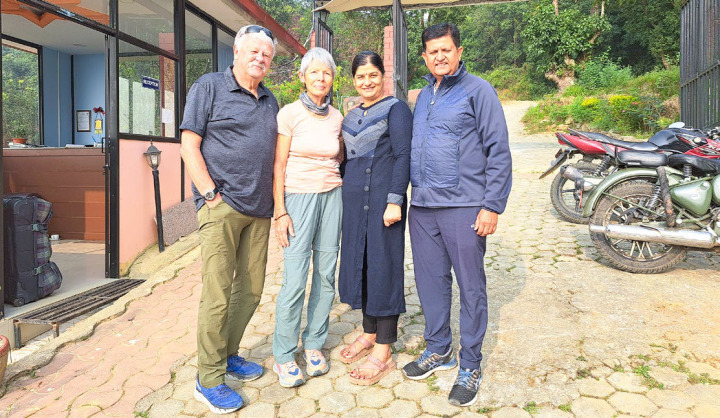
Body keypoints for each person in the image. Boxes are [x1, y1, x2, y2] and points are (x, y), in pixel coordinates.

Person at [401, 23, 512, 407]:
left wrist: (492, 204)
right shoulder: (424, 97)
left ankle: (470, 365)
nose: (440, 57)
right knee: (430, 282)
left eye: (446, 50)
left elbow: (498, 149)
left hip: (465, 205)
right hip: (424, 208)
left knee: (471, 287)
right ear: (425, 57)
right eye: (433, 52)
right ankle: (439, 349)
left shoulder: (478, 91)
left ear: (459, 51)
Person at [179, 24, 278, 414]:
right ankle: (208, 376)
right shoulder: (209, 87)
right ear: (236, 52)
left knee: (250, 291)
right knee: (218, 293)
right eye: (253, 51)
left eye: (266, 55)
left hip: (260, 210)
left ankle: (229, 352)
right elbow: (189, 144)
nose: (259, 58)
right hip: (221, 206)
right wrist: (209, 195)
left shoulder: (270, 99)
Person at [337, 51, 412, 385]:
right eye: (360, 76)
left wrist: (395, 200)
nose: (366, 82)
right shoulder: (351, 116)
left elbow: (402, 156)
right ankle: (368, 332)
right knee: (363, 266)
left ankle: (383, 349)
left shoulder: (396, 110)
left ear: (383, 76)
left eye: (372, 75)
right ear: (353, 80)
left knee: (384, 268)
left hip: (384, 201)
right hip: (354, 204)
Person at [271, 47, 343, 388]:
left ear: (332, 79)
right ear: (302, 76)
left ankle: (314, 343)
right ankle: (284, 354)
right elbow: (279, 165)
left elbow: (339, 157)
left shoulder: (338, 117)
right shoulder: (289, 114)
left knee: (326, 274)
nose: (320, 78)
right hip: (297, 199)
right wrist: (280, 211)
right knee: (295, 279)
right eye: (314, 72)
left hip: (332, 196)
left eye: (326, 73)